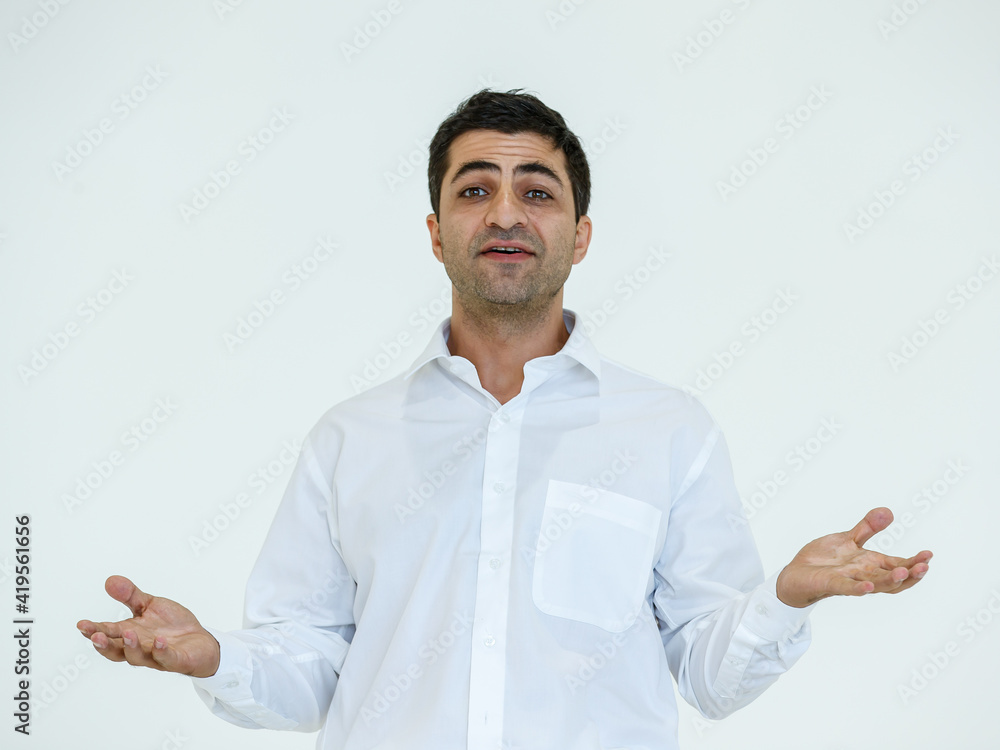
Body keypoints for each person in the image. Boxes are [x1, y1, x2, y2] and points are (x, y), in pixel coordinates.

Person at [78, 89, 932, 749]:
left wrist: (784, 599)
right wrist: (217, 657)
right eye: (475, 188)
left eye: (537, 191)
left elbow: (710, 678)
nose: (506, 213)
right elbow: (313, 669)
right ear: (436, 232)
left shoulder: (668, 431)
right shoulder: (350, 440)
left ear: (581, 235)